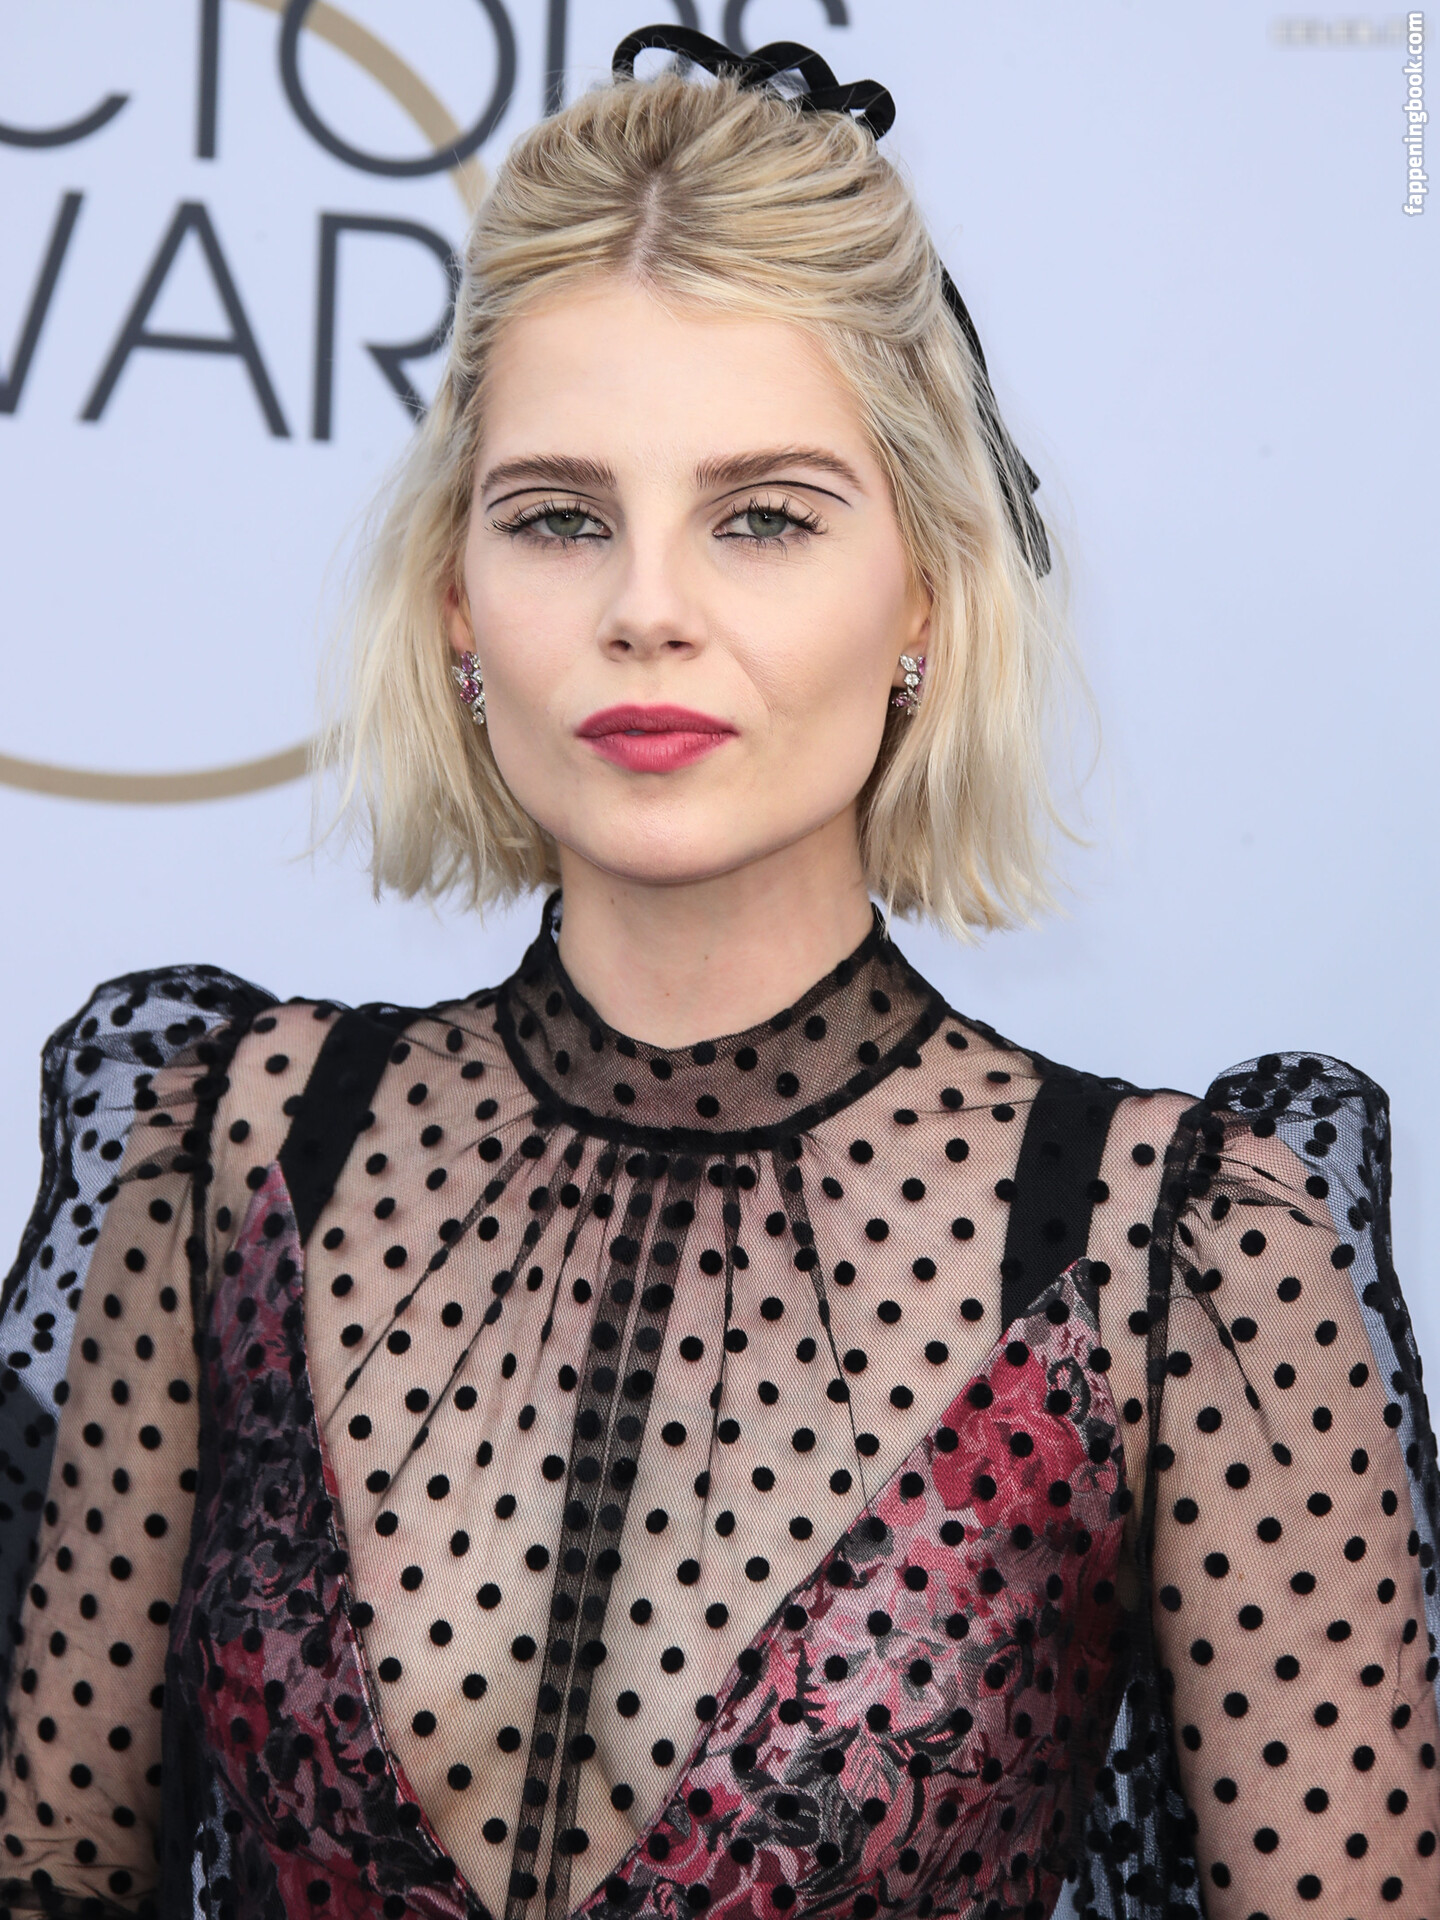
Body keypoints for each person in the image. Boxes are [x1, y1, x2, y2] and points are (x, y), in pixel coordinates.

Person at [0, 27, 1434, 1920]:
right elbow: (54, 1871)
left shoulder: (1180, 1257)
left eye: (761, 517)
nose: (646, 606)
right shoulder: (236, 1148)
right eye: (559, 516)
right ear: (458, 600)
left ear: (925, 594)